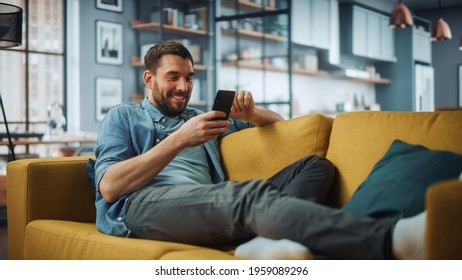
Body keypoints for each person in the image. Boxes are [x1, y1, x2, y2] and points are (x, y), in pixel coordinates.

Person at [92, 40, 425, 260]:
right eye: (173, 77)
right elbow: (109, 186)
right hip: (143, 206)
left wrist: (252, 113)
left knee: (314, 165)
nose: (184, 87)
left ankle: (275, 239)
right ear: (149, 79)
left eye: (190, 78)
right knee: (243, 196)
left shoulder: (202, 119)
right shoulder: (125, 116)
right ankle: (390, 239)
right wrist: (179, 138)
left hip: (204, 203)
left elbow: (281, 124)